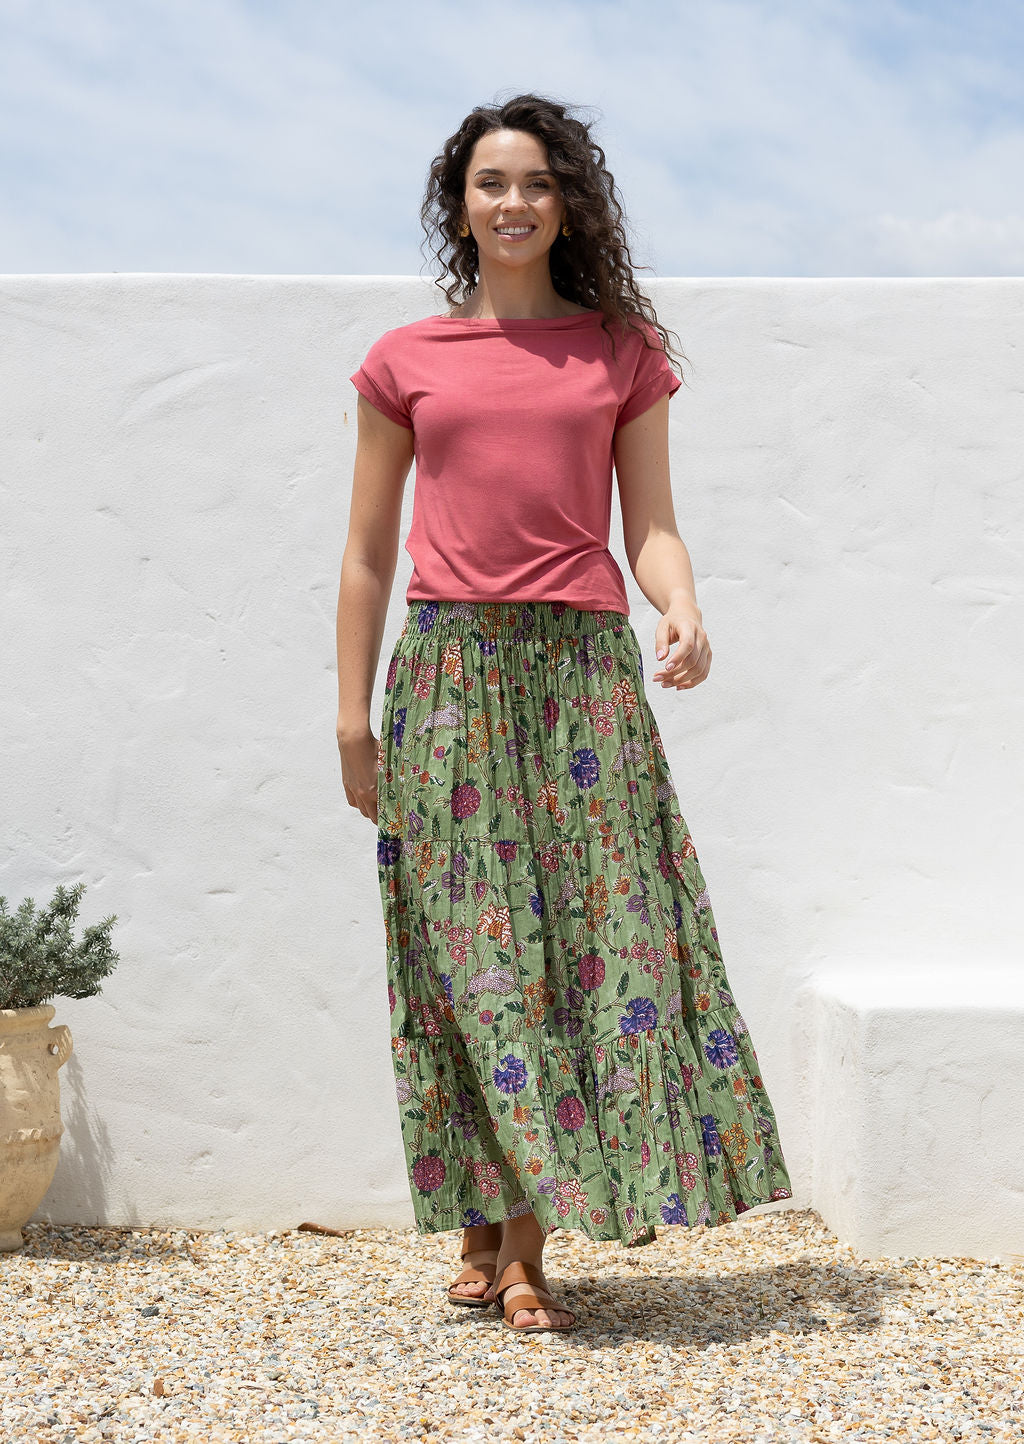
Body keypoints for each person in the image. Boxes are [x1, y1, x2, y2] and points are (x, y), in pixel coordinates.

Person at [336, 93, 793, 1335]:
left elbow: (647, 521)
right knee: (464, 961)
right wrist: (349, 720)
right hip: (444, 674)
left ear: (566, 202)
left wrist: (682, 606)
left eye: (535, 182)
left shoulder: (617, 351)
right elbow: (369, 551)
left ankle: (527, 1247)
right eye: (491, 183)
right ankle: (483, 1223)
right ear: (460, 204)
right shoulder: (403, 361)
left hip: (582, 675)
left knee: (579, 946)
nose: (514, 203)